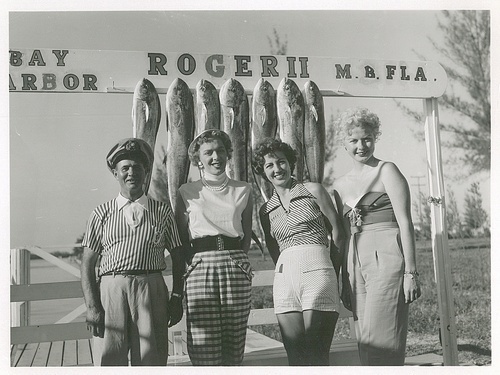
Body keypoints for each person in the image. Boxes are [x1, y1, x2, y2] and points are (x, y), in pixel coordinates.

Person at [80, 138, 184, 366]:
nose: (131, 173)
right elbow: (87, 264)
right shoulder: (101, 213)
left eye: (137, 167)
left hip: (151, 288)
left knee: (151, 359)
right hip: (112, 291)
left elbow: (178, 257)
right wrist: (92, 306)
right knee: (110, 358)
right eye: (125, 168)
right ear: (115, 173)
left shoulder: (162, 211)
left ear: (147, 172)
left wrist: (177, 297)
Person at [333, 107, 422, 366]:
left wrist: (411, 273)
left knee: (384, 339)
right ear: (344, 143)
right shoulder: (338, 185)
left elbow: (406, 223)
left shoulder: (387, 171)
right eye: (354, 140)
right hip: (354, 260)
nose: (361, 146)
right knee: (365, 339)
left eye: (367, 138)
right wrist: (343, 278)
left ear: (375, 137)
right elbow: (342, 235)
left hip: (387, 253)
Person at [252, 138, 345, 366]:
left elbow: (339, 234)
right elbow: (274, 248)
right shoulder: (266, 209)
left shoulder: (313, 190)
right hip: (285, 279)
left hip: (318, 271)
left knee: (317, 354)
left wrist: (332, 269)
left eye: (281, 162)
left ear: (290, 163)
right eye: (269, 166)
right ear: (263, 172)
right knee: (295, 356)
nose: (277, 169)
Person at [175, 129, 254, 366]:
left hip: (235, 265)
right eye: (208, 152)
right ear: (198, 158)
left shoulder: (243, 189)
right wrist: (196, 263)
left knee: (234, 341)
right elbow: (181, 238)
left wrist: (235, 260)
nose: (215, 156)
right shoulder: (186, 192)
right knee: (203, 344)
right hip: (200, 267)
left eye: (220, 150)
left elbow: (247, 235)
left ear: (228, 154)